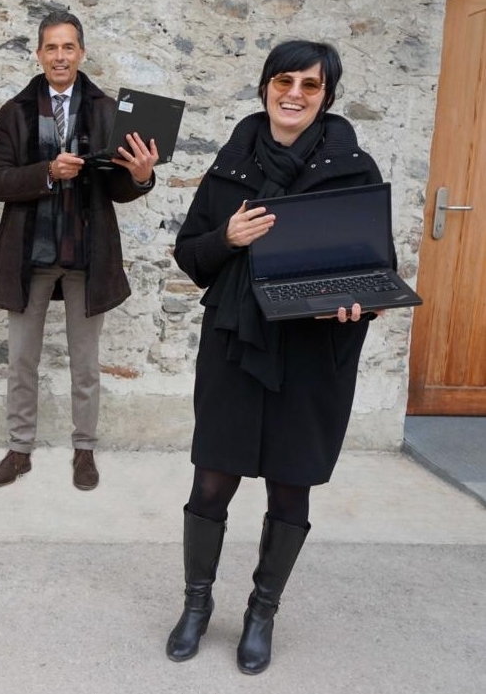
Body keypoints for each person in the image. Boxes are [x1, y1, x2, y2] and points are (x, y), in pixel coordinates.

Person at [166, 40, 384, 674]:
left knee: (291, 489)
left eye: (310, 86)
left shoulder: (353, 168)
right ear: (264, 86)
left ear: (327, 96)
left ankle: (262, 613)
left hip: (315, 352)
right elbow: (190, 255)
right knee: (212, 478)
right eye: (283, 80)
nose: (294, 94)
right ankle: (197, 606)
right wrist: (226, 237)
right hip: (235, 341)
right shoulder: (232, 163)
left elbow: (374, 271)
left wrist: (356, 304)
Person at [0, 10, 157, 491]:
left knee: (85, 364)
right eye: (51, 48)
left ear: (81, 52)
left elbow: (120, 187)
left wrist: (141, 175)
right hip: (30, 256)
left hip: (86, 254)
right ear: (39, 54)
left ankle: (84, 450)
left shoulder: (108, 111)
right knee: (21, 360)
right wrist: (46, 173)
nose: (60, 56)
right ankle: (19, 450)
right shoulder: (14, 112)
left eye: (68, 47)